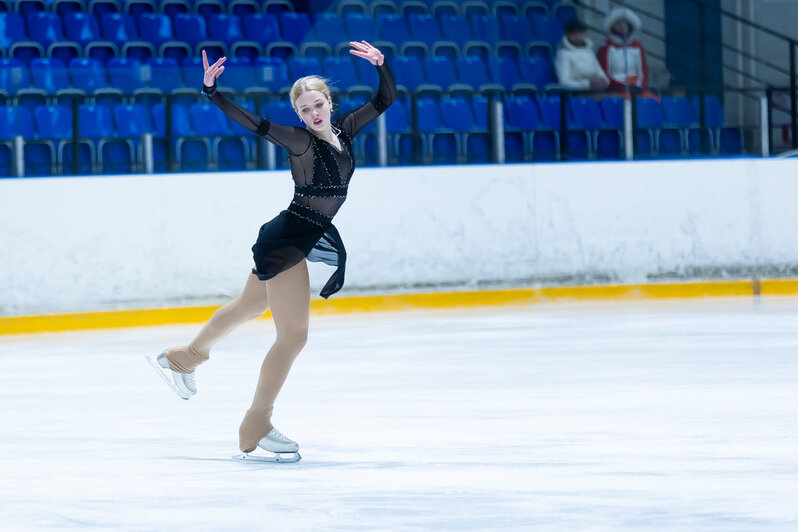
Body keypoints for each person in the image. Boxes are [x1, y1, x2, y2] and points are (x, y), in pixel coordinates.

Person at [147, 40, 397, 462]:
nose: (313, 113)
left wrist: (381, 65)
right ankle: (256, 423)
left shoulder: (346, 131)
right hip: (288, 242)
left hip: (301, 234)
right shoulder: (300, 142)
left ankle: (183, 358)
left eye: (318, 105)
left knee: (248, 306)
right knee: (293, 336)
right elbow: (256, 124)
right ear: (298, 115)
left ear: (329, 103)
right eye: (304, 110)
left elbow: (385, 97)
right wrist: (213, 93)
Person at [596, 7, 650, 92]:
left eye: (624, 23)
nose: (621, 26)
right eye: (618, 24)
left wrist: (639, 86)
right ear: (613, 26)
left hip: (637, 88)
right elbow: (603, 74)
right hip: (615, 90)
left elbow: (644, 72)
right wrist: (621, 86)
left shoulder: (637, 46)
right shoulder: (605, 48)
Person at [554, 19, 609, 91]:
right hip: (577, 93)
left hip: (596, 90)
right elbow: (564, 82)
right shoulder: (564, 54)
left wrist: (604, 82)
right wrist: (587, 84)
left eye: (581, 33)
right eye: (574, 34)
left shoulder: (589, 52)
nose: (578, 36)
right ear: (568, 35)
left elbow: (601, 74)